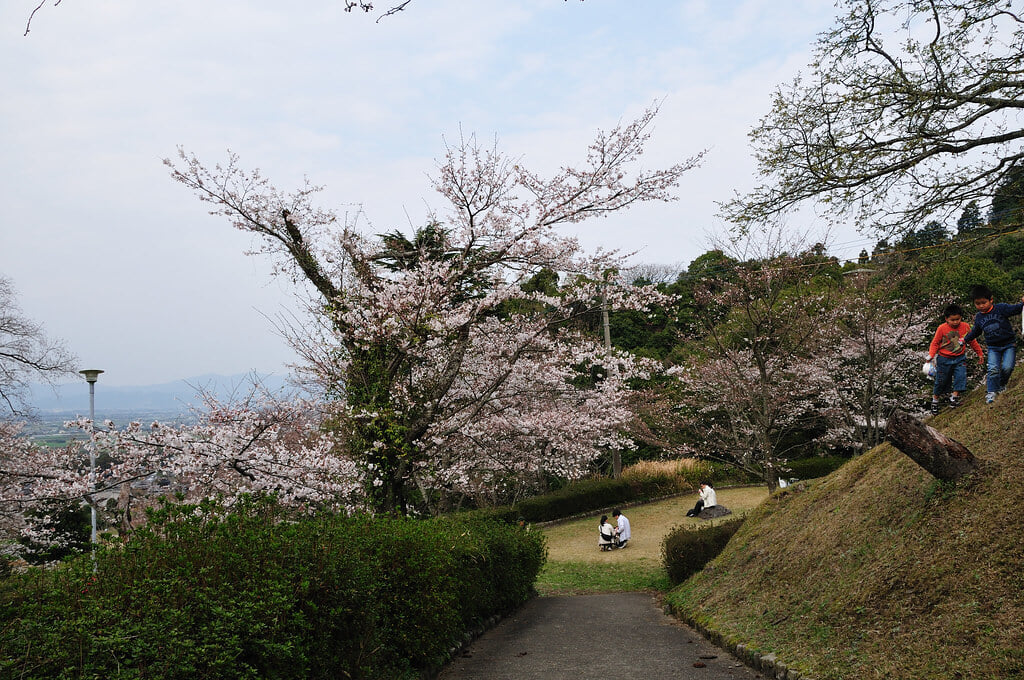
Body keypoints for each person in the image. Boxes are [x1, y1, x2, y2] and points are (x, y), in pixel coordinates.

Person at [963, 284, 1024, 404]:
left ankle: (1002, 384)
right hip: (993, 347)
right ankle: (991, 392)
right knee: (993, 369)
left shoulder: (1001, 308)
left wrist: (1022, 303)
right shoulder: (979, 317)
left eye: (983, 302)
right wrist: (965, 340)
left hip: (1009, 344)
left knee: (1007, 367)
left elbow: (1016, 309)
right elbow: (976, 331)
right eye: (977, 303)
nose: (981, 306)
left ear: (991, 300)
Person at [927, 303, 984, 414]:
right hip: (944, 358)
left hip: (960, 358)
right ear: (946, 319)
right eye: (952, 320)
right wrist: (931, 355)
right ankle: (935, 401)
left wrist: (979, 353)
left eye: (957, 319)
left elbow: (972, 340)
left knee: (961, 376)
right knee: (941, 381)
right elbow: (935, 343)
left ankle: (954, 398)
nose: (955, 322)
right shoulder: (942, 328)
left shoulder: (965, 326)